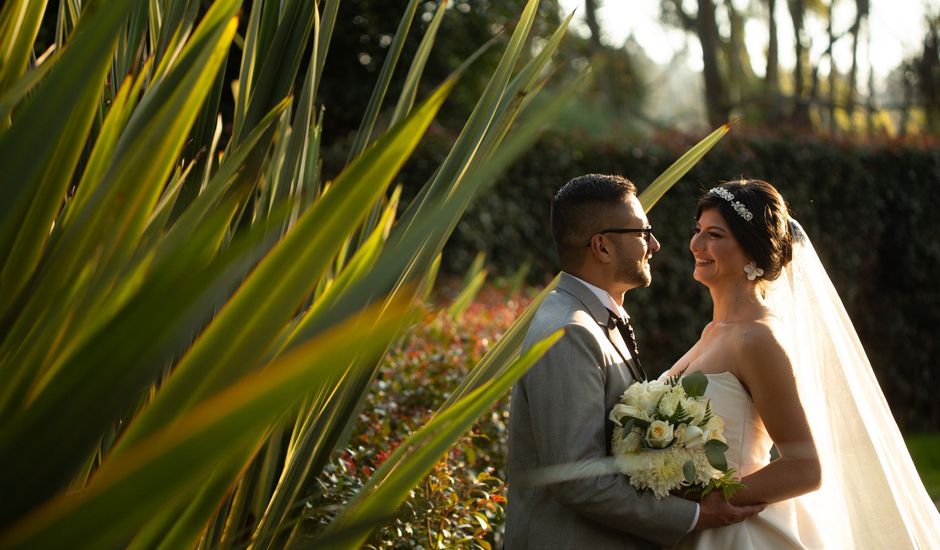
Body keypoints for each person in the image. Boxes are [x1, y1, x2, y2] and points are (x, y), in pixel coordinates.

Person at [665, 179, 940, 548]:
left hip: (734, 532)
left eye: (714, 235)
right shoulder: (714, 331)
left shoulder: (756, 339)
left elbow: (804, 467)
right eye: (697, 231)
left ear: (753, 253)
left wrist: (710, 500)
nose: (696, 245)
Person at [505, 174, 764, 549]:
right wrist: (695, 516)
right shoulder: (570, 331)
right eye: (643, 233)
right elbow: (578, 480)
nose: (655, 245)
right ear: (602, 247)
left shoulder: (592, 317)